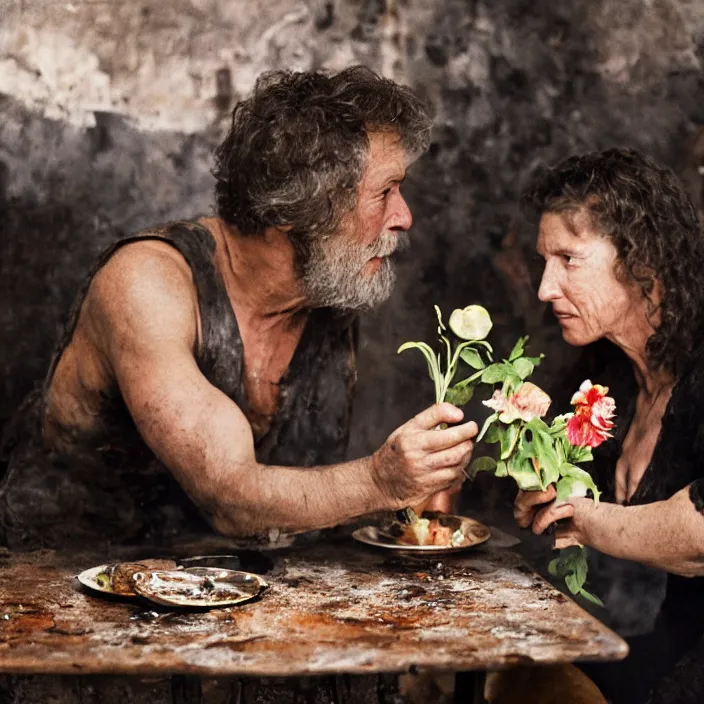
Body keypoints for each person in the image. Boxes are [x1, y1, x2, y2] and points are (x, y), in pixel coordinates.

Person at [0, 66, 478, 550]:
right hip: (56, 580)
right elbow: (229, 497)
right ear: (304, 210)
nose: (404, 217)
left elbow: (294, 501)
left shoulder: (329, 284)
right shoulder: (147, 283)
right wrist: (383, 483)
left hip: (218, 583)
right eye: (384, 193)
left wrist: (424, 485)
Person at [513, 147, 704, 703]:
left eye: (569, 259)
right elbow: (574, 492)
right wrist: (543, 482)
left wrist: (580, 518)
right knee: (520, 681)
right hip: (677, 639)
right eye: (545, 261)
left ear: (641, 259)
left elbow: (698, 536)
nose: (546, 288)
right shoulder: (610, 371)